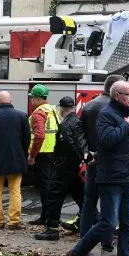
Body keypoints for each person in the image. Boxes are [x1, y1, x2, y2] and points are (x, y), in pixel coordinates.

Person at [65, 81, 129, 256]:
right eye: (128, 94)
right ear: (117, 95)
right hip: (111, 177)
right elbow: (106, 140)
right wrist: (126, 125)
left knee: (128, 224)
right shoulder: (106, 115)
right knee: (108, 223)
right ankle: (76, 253)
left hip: (128, 177)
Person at [76, 74, 124, 251]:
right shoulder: (115, 109)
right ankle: (107, 243)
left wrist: (86, 152)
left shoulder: (89, 105)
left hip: (92, 163)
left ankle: (83, 243)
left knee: (89, 203)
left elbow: (79, 132)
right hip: (110, 164)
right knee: (108, 206)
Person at [36, 96, 86, 241]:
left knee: (54, 195)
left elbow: (70, 145)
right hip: (75, 167)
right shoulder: (77, 121)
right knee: (81, 197)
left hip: (65, 166)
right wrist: (81, 162)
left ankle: (52, 229)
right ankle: (95, 224)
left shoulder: (65, 125)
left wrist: (74, 161)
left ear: (62, 109)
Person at [0, 91, 30, 230]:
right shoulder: (21, 116)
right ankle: (14, 221)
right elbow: (27, 138)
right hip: (16, 158)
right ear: (10, 101)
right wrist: (22, 153)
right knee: (15, 191)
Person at [26, 84, 62, 233]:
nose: (31, 101)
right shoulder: (52, 109)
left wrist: (32, 155)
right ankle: (46, 216)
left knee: (45, 187)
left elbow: (39, 135)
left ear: (39, 98)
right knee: (50, 185)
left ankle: (47, 217)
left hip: (42, 154)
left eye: (32, 98)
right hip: (53, 152)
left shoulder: (38, 113)